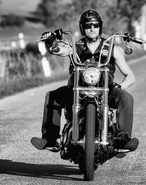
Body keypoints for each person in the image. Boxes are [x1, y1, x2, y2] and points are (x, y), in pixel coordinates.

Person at [31, 9, 139, 152]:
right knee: (53, 96)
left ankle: (123, 139)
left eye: (95, 25)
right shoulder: (75, 47)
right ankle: (50, 139)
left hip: (106, 90)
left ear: (100, 26)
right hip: (77, 90)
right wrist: (51, 43)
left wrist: (120, 86)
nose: (92, 28)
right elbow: (58, 50)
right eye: (88, 26)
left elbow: (130, 76)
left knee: (126, 98)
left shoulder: (112, 48)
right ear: (83, 28)